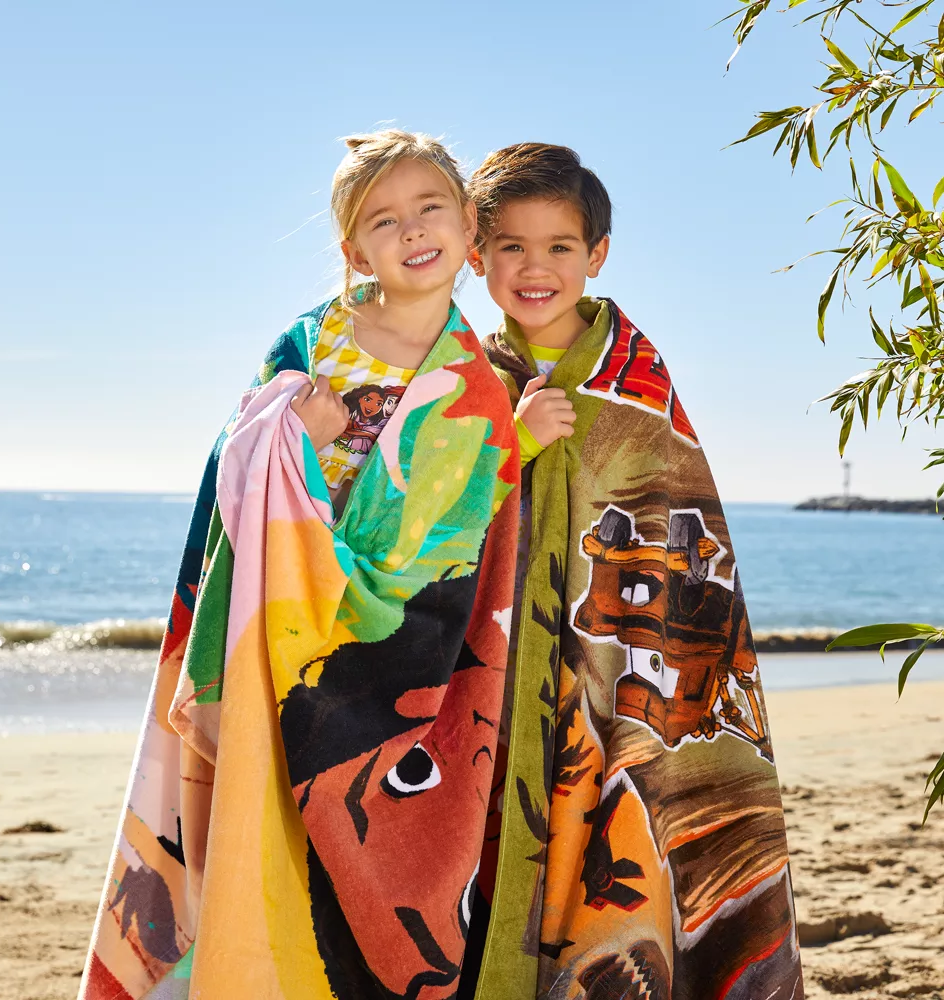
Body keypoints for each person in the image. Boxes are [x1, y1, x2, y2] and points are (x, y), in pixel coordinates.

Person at [78, 129, 520, 1000]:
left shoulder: (478, 393)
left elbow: (450, 560)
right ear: (355, 252)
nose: (411, 229)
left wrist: (311, 493)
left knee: (357, 856)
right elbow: (230, 477)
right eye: (382, 220)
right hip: (266, 630)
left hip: (380, 663)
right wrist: (294, 439)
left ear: (470, 225)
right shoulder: (312, 341)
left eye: (430, 206)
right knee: (248, 828)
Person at [461, 143, 804, 999]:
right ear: (476, 255)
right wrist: (510, 442)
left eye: (559, 246)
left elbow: (676, 522)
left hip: (623, 668)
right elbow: (442, 512)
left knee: (621, 844)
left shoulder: (635, 375)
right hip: (505, 661)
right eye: (511, 247)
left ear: (598, 254)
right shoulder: (466, 375)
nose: (535, 268)